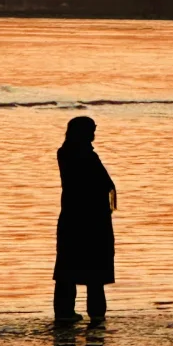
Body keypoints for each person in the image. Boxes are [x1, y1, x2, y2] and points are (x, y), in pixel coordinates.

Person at [53, 116, 116, 323]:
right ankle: (94, 314)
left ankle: (66, 313)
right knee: (94, 270)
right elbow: (100, 182)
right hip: (91, 218)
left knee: (68, 268)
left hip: (74, 217)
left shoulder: (67, 152)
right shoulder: (82, 154)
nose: (93, 133)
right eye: (91, 129)